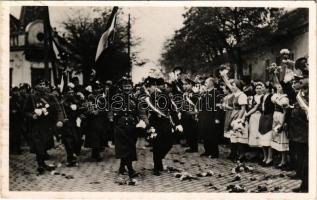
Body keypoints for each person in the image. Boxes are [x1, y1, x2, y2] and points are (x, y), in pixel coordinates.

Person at [23, 79, 63, 174]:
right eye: (40, 85)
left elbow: (58, 109)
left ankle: (42, 162)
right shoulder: (31, 97)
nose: (42, 87)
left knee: (45, 144)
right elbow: (24, 111)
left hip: (47, 125)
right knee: (38, 144)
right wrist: (32, 115)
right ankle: (40, 164)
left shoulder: (51, 97)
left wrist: (60, 120)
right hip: (36, 125)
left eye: (44, 85)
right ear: (36, 86)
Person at [111, 76, 147, 178]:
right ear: (122, 87)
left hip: (132, 126)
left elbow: (141, 112)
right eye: (125, 86)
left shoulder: (135, 99)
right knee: (124, 147)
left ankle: (122, 167)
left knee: (129, 147)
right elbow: (112, 110)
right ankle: (130, 170)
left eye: (128, 86)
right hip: (120, 126)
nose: (127, 88)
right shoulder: (117, 98)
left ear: (132, 87)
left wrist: (145, 123)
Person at [144, 77, 181, 176]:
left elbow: (172, 110)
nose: (148, 88)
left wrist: (178, 123)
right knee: (157, 145)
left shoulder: (165, 95)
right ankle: (157, 167)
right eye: (148, 87)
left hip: (165, 122)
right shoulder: (148, 97)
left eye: (150, 86)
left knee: (169, 143)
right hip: (154, 123)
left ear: (155, 86)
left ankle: (159, 159)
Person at [220, 70, 248, 162]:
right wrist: (224, 76)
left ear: (238, 86)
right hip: (233, 114)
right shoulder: (235, 93)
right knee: (233, 136)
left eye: (234, 85)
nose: (231, 87)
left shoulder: (242, 95)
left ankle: (241, 155)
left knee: (239, 136)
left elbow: (243, 108)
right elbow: (228, 84)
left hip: (239, 114)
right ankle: (234, 153)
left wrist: (239, 119)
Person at [198, 77, 222, 158]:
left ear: (212, 83)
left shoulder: (216, 92)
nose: (205, 83)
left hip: (212, 117)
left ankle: (214, 153)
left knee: (212, 135)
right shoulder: (205, 92)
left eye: (206, 82)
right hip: (204, 116)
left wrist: (217, 117)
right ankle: (207, 151)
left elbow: (218, 106)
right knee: (205, 134)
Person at [270, 82, 290, 169]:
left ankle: (284, 160)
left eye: (280, 87)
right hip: (275, 115)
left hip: (281, 116)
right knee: (276, 136)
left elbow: (285, 112)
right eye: (277, 87)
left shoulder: (285, 98)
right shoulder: (276, 96)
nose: (278, 88)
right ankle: (280, 159)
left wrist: (282, 123)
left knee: (282, 137)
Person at [257, 82, 275, 166]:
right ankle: (265, 157)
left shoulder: (271, 97)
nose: (262, 89)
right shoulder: (262, 97)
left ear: (268, 88)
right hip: (263, 117)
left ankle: (270, 158)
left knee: (268, 137)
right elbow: (260, 107)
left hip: (269, 117)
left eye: (263, 87)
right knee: (262, 136)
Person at [245, 82, 264, 148]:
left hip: (261, 116)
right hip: (253, 116)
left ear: (262, 89)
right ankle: (254, 149)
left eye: (260, 88)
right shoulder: (252, 98)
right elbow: (250, 107)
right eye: (257, 88)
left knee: (260, 132)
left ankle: (261, 149)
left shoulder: (264, 97)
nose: (258, 90)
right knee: (253, 131)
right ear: (255, 89)